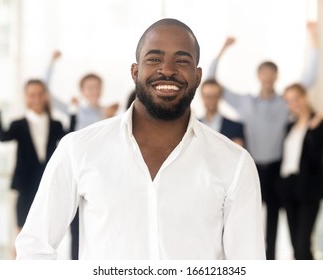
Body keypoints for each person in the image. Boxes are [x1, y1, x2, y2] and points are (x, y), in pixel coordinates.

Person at [15, 18, 265, 260]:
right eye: (154, 58)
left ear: (198, 76)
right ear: (135, 71)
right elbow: (35, 249)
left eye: (182, 60)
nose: (167, 70)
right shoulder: (78, 149)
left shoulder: (235, 163)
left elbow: (247, 263)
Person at [208, 22, 319, 259]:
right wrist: (222, 49)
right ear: (258, 76)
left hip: (278, 170)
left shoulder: (284, 103)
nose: (268, 77)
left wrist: (314, 38)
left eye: (271, 73)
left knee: (275, 224)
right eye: (264, 73)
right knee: (249, 220)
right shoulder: (245, 102)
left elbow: (309, 78)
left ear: (276, 76)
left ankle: (273, 264)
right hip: (252, 168)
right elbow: (211, 81)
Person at [0, 79, 76, 257]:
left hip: (48, 182)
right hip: (25, 184)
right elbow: (2, 136)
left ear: (45, 96)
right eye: (31, 94)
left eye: (39, 94)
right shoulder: (18, 124)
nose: (35, 98)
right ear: (26, 97)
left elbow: (70, 136)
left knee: (47, 228)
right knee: (21, 230)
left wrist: (73, 112)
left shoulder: (55, 124)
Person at [46, 51, 119, 259]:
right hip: (79, 172)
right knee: (76, 227)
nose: (93, 91)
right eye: (89, 88)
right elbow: (47, 92)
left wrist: (109, 118)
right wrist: (52, 63)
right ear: (82, 91)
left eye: (96, 87)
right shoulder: (75, 111)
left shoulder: (110, 113)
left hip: (102, 173)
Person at [279, 83, 323, 259]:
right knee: (295, 246)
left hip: (308, 188)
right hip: (289, 187)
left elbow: (316, 157)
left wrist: (312, 130)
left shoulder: (318, 123)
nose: (294, 103)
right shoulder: (290, 126)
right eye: (289, 100)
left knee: (302, 244)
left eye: (296, 98)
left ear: (305, 97)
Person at [199, 79, 245, 147]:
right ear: (202, 97)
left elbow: (237, 155)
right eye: (208, 96)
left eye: (215, 96)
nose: (211, 100)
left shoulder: (235, 128)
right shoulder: (190, 126)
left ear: (220, 97)